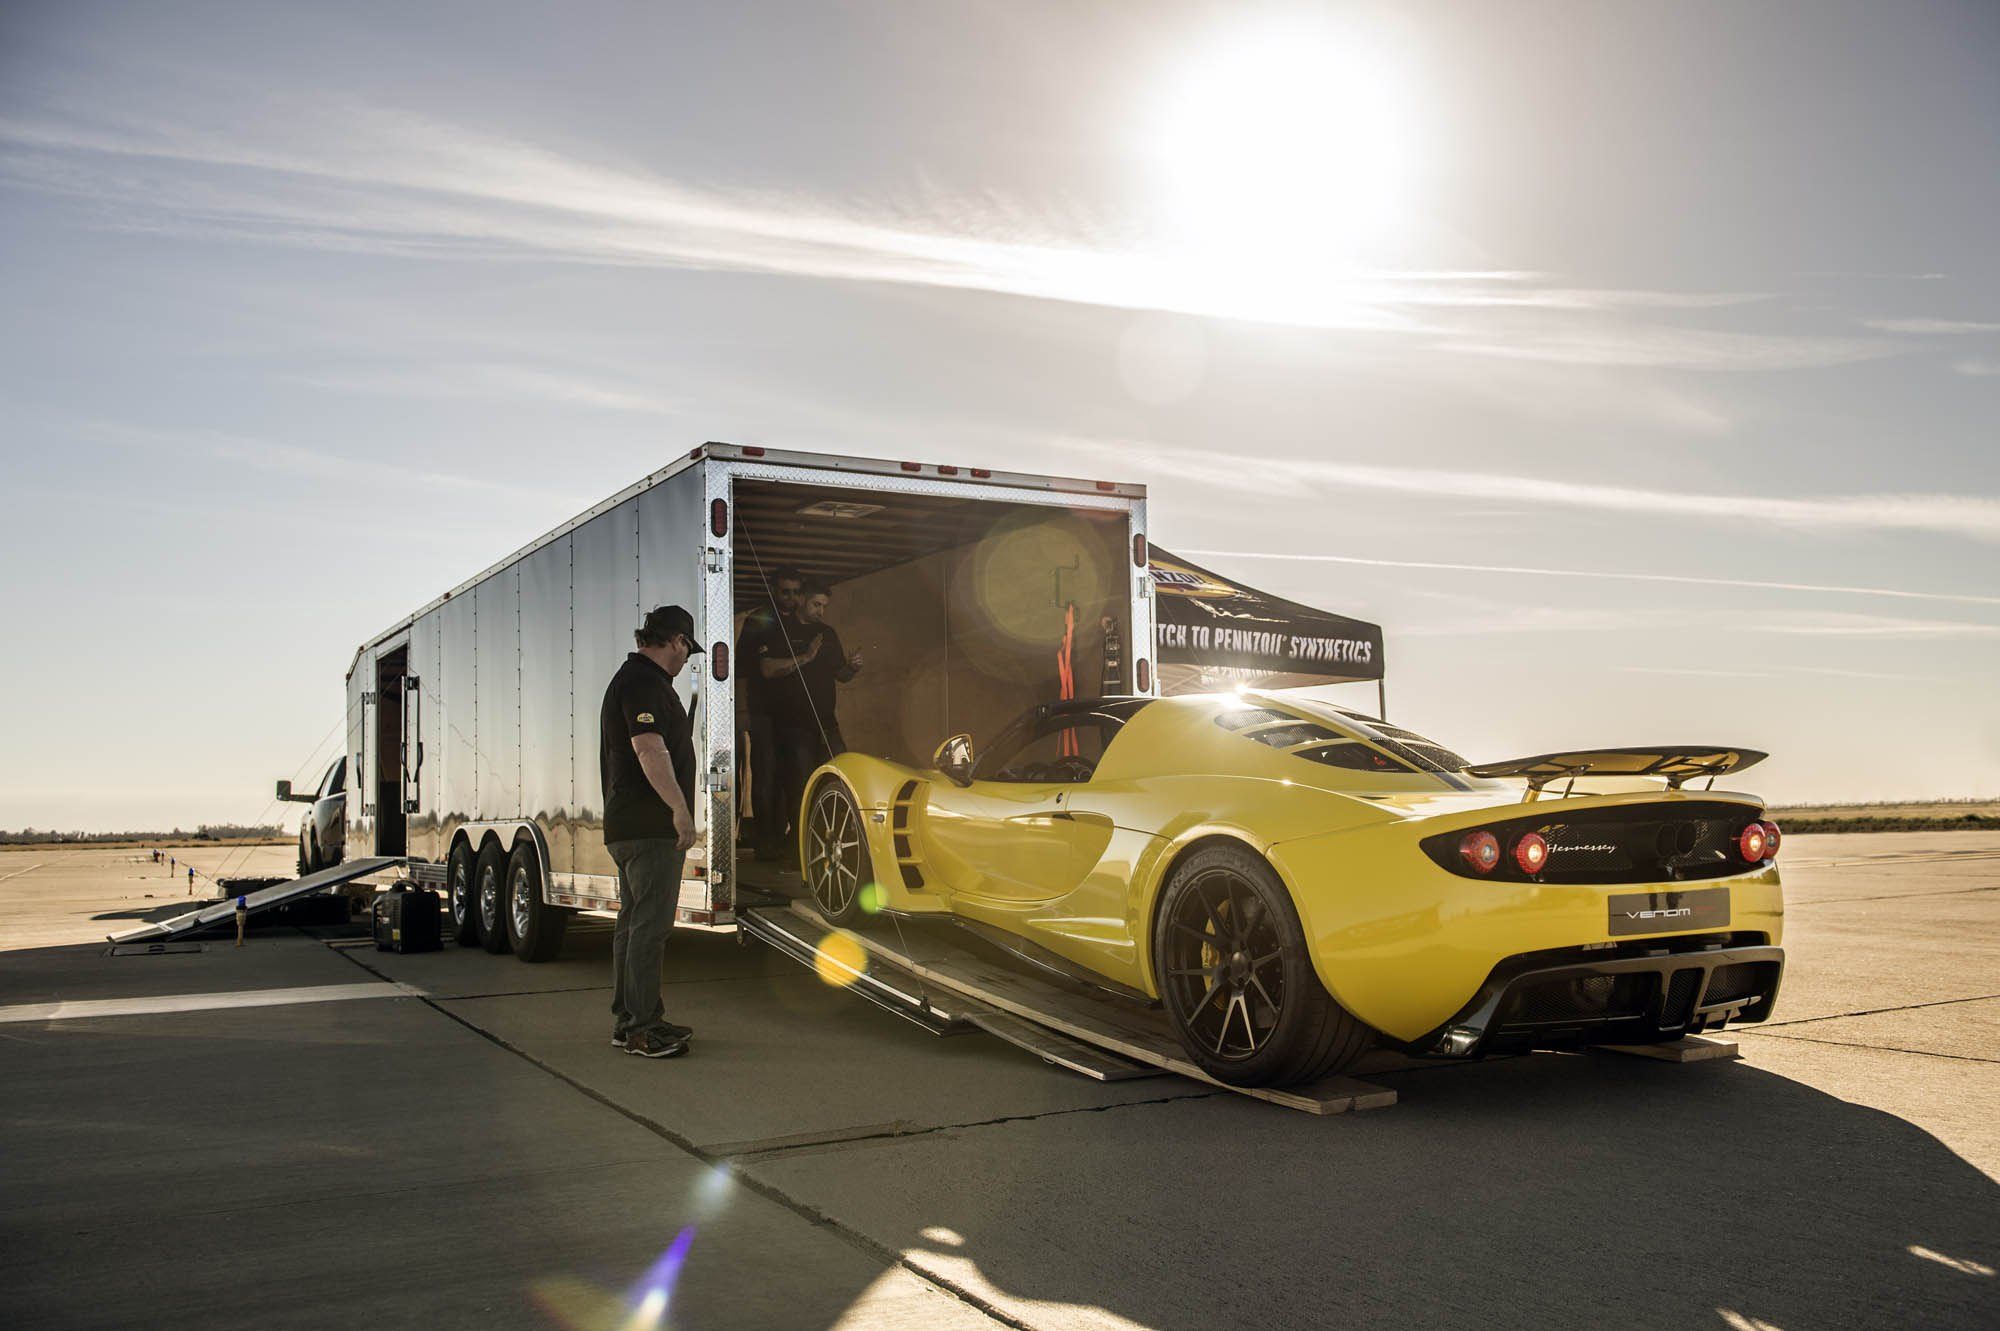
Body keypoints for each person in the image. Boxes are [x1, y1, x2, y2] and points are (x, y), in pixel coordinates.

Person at [599, 604, 701, 1060]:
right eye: (687, 651)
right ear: (676, 640)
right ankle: (642, 1028)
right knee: (649, 927)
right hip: (649, 826)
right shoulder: (643, 682)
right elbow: (648, 749)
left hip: (630, 824)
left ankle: (631, 1020)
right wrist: (679, 809)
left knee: (633, 923)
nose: (686, 661)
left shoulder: (636, 679)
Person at [765, 578, 862, 863]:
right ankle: (797, 850)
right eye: (816, 604)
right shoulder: (781, 631)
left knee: (841, 780)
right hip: (793, 723)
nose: (821, 611)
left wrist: (853, 668)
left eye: (824, 606)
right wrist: (806, 657)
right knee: (800, 786)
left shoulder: (828, 633)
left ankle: (835, 845)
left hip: (827, 723)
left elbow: (840, 674)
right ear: (801, 600)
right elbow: (768, 670)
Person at [738, 566, 803, 861]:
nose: (790, 598)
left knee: (791, 777)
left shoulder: (802, 623)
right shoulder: (758, 620)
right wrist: (742, 712)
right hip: (763, 711)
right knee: (765, 775)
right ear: (774, 591)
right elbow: (740, 669)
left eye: (796, 592)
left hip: (794, 716)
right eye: (785, 591)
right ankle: (767, 840)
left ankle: (787, 839)